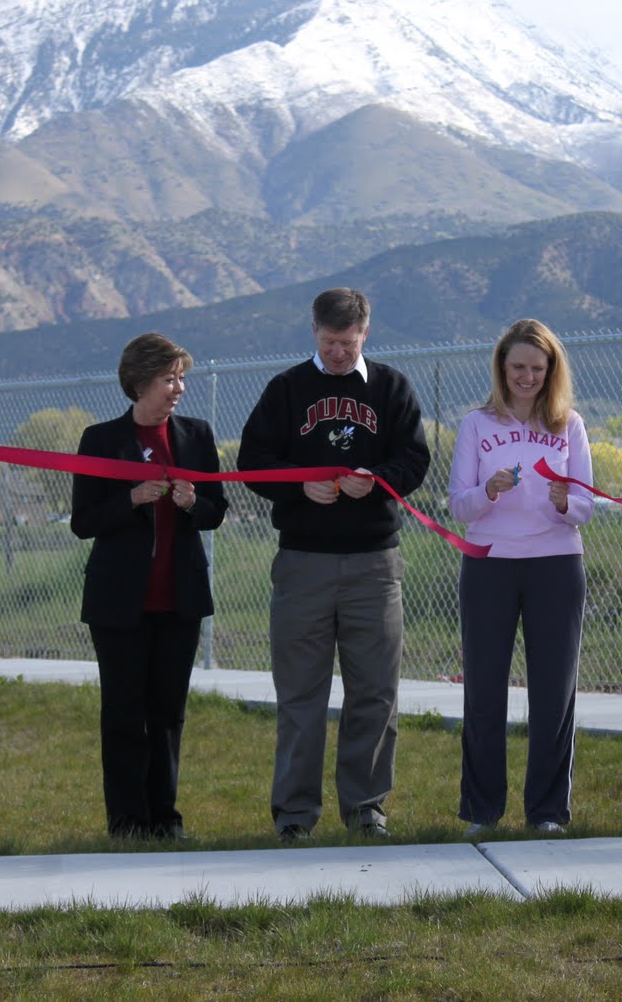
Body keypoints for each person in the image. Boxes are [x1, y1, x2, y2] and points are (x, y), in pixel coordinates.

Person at [238, 287, 431, 841]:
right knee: (301, 693)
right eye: (329, 343)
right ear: (314, 332)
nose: (340, 353)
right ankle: (295, 815)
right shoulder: (286, 389)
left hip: (375, 562)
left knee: (374, 690)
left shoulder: (392, 387)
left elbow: (414, 458)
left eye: (348, 343)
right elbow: (253, 462)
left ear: (365, 333)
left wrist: (375, 481)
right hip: (303, 562)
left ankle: (366, 806)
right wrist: (299, 486)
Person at [70, 333, 228, 840]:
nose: (178, 387)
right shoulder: (100, 440)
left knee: (166, 715)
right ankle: (126, 822)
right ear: (139, 383)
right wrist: (132, 499)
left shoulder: (197, 436)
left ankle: (165, 818)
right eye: (169, 378)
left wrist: (190, 503)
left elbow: (216, 512)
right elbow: (83, 521)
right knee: (123, 714)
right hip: (119, 605)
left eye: (182, 377)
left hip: (178, 602)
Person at [448, 319, 595, 838]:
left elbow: (585, 505)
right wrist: (488, 489)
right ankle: (483, 811)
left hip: (556, 564)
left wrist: (566, 503)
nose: (527, 377)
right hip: (489, 563)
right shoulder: (476, 425)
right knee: (484, 690)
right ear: (502, 368)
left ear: (551, 370)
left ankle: (548, 812)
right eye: (518, 367)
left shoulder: (568, 425)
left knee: (554, 692)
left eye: (537, 368)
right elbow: (459, 506)